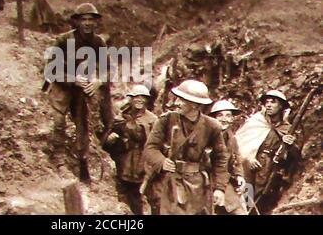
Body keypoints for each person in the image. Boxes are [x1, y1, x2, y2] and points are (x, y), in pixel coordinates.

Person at [43, 3, 113, 183]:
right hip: (62, 84)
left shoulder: (98, 42)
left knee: (83, 125)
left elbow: (107, 69)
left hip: (82, 89)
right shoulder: (63, 40)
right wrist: (72, 79)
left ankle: (83, 164)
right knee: (58, 121)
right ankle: (59, 160)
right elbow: (50, 70)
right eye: (84, 19)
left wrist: (98, 81)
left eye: (91, 19)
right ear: (77, 22)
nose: (88, 23)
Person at [143, 80, 228, 215]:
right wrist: (162, 161)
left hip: (199, 187)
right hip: (171, 182)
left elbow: (221, 158)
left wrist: (219, 188)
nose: (176, 102)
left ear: (194, 105)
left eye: (182, 99)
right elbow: (150, 148)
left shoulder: (212, 126)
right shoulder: (166, 120)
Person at [235, 90, 303, 214]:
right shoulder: (256, 122)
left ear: (281, 106)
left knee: (263, 198)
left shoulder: (287, 129)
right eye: (267, 102)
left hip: (270, 167)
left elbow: (296, 157)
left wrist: (290, 144)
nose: (269, 105)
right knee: (246, 194)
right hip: (250, 165)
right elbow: (239, 144)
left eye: (273, 102)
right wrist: (249, 158)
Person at [103, 84, 157, 214]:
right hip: (125, 161)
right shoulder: (121, 118)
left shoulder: (152, 120)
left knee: (140, 196)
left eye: (143, 98)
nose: (139, 100)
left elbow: (157, 143)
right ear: (131, 99)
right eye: (136, 97)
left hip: (143, 162)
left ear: (147, 100)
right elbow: (106, 143)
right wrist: (110, 140)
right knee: (123, 193)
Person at [208, 100, 248, 215]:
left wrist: (239, 175)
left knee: (240, 211)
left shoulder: (231, 138)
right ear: (214, 118)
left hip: (224, 181)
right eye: (220, 115)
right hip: (207, 181)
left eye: (228, 115)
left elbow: (236, 158)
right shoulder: (207, 135)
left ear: (232, 119)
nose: (224, 119)